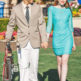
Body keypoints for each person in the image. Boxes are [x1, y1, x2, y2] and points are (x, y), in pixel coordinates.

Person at [5, 0, 48, 81]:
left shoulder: (37, 7)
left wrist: (44, 40)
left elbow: (41, 24)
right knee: (23, 66)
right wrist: (8, 38)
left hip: (35, 41)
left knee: (34, 66)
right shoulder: (15, 9)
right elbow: (11, 25)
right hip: (22, 42)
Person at [46, 0, 76, 81]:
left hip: (67, 38)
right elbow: (49, 25)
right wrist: (46, 39)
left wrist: (73, 42)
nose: (62, 0)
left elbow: (70, 26)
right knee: (59, 63)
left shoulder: (68, 10)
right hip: (57, 39)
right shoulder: (51, 9)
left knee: (64, 62)